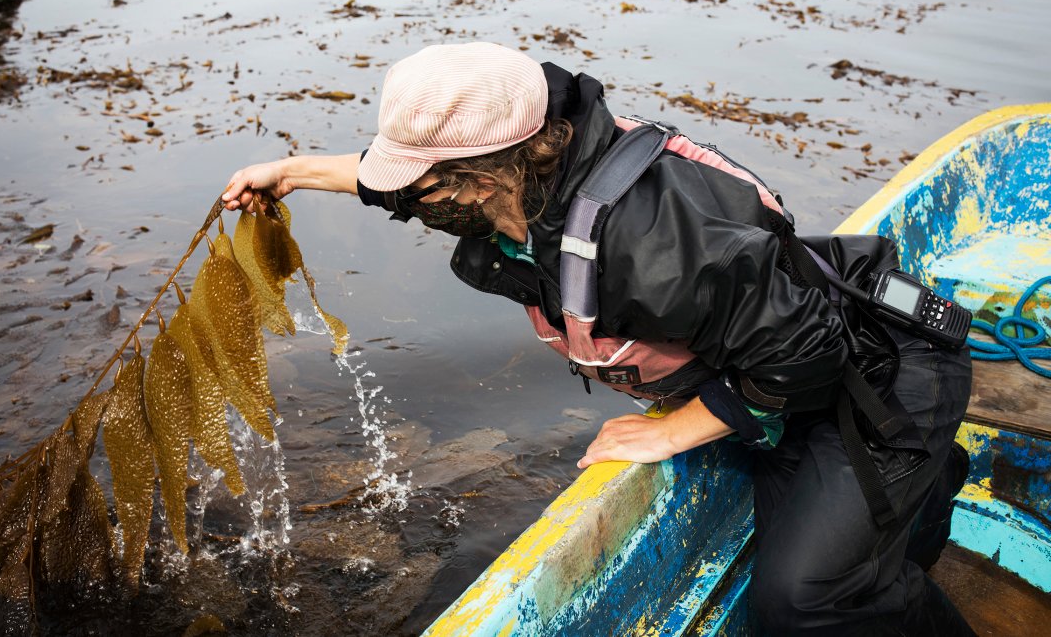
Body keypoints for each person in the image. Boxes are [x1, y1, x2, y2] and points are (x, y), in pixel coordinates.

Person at [222, 42, 975, 636]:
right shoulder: (518, 186)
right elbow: (387, 180)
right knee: (840, 555)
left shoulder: (643, 244)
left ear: (483, 176)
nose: (405, 202)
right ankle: (918, 500)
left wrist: (673, 429)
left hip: (876, 374)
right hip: (778, 377)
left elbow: (808, 348)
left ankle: (921, 480)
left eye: (419, 187)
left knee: (803, 601)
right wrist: (288, 171)